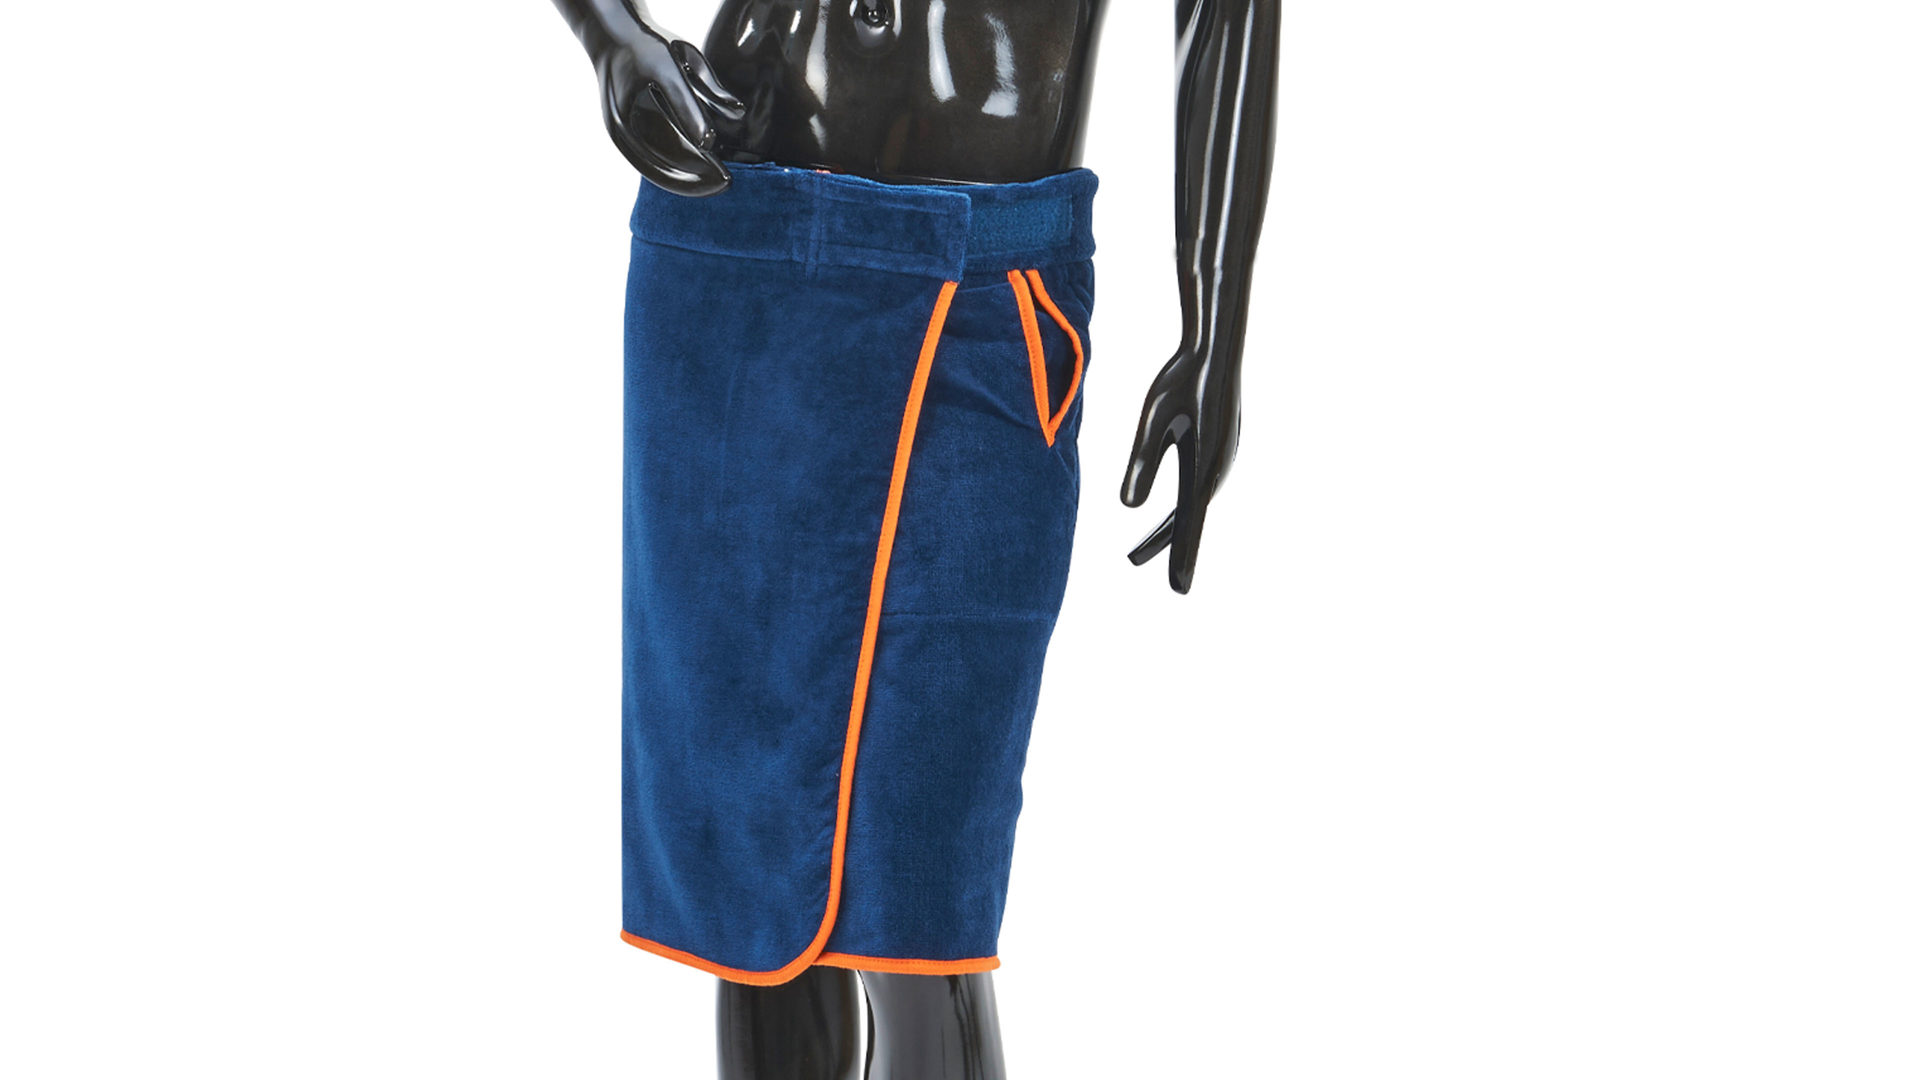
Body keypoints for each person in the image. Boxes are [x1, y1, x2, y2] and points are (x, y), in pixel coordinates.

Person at [546, 2, 1279, 1076]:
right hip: (737, 236)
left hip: (977, 280)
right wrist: (613, 36)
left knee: (920, 917)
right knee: (755, 916)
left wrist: (1215, 328)